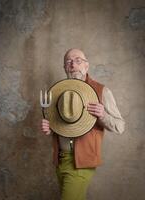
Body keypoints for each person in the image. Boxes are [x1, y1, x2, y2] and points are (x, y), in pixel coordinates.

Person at [40, 48, 125, 200]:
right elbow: (61, 126)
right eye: (68, 61)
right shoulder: (58, 92)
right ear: (65, 68)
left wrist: (103, 115)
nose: (73, 64)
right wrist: (50, 130)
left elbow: (120, 126)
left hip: (82, 162)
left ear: (87, 66)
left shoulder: (101, 91)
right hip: (60, 160)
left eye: (78, 60)